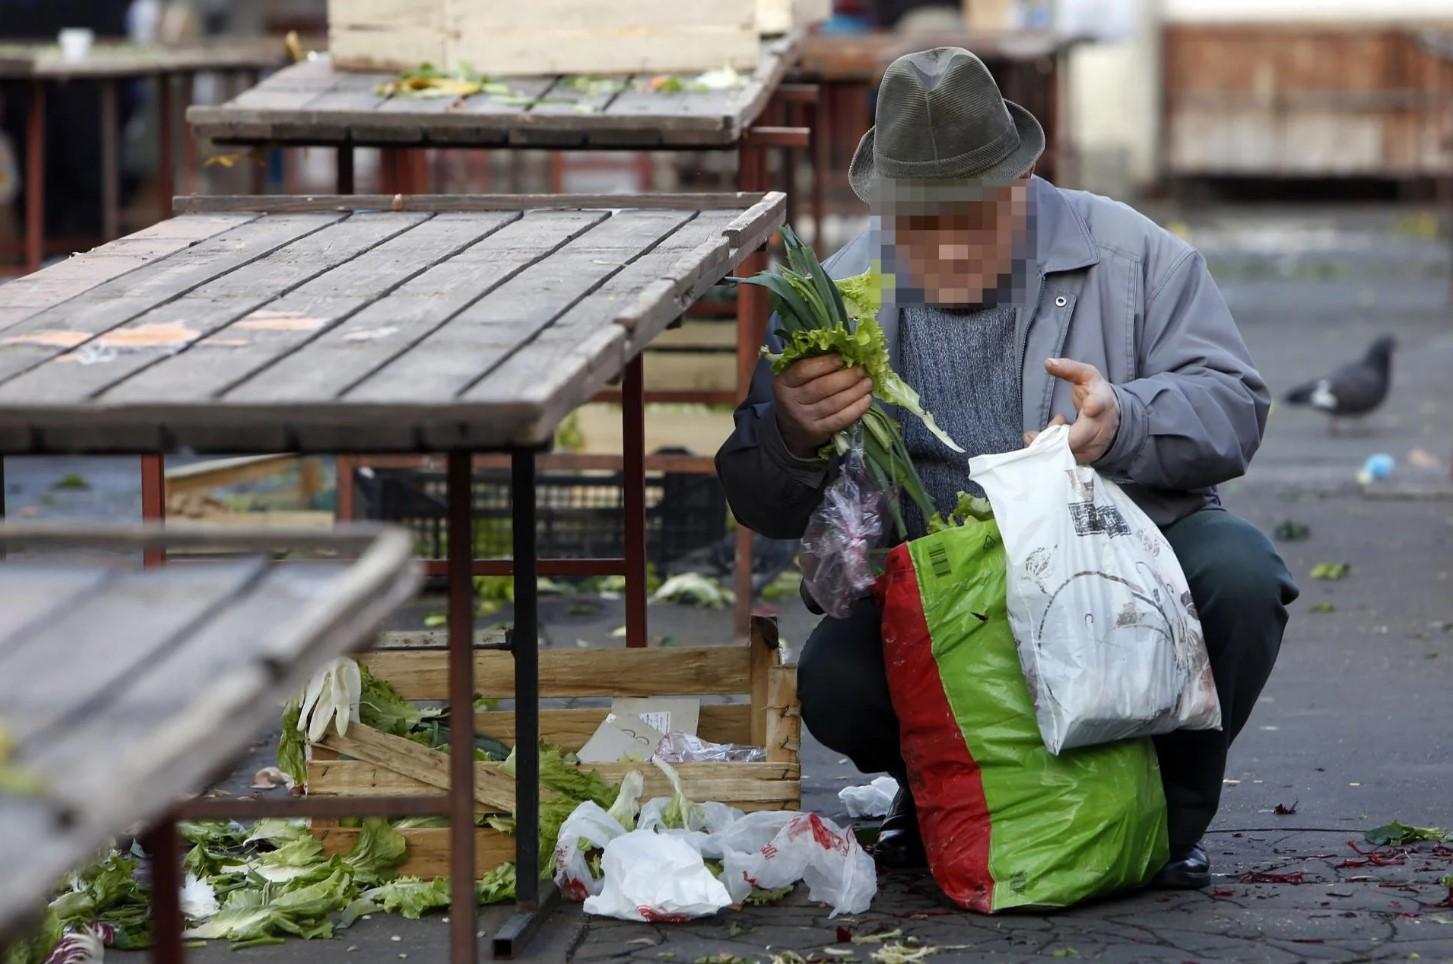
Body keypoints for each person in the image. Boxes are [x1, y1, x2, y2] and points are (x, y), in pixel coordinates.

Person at [715, 47, 1298, 890]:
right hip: (943, 596)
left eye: (968, 218)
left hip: (1111, 577)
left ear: (1020, 184)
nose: (944, 248)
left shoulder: (1132, 254)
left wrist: (1121, 421)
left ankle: (1165, 820)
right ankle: (942, 796)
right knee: (836, 679)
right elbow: (754, 497)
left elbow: (1233, 405)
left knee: (1240, 576)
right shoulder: (835, 294)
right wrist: (792, 434)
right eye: (917, 225)